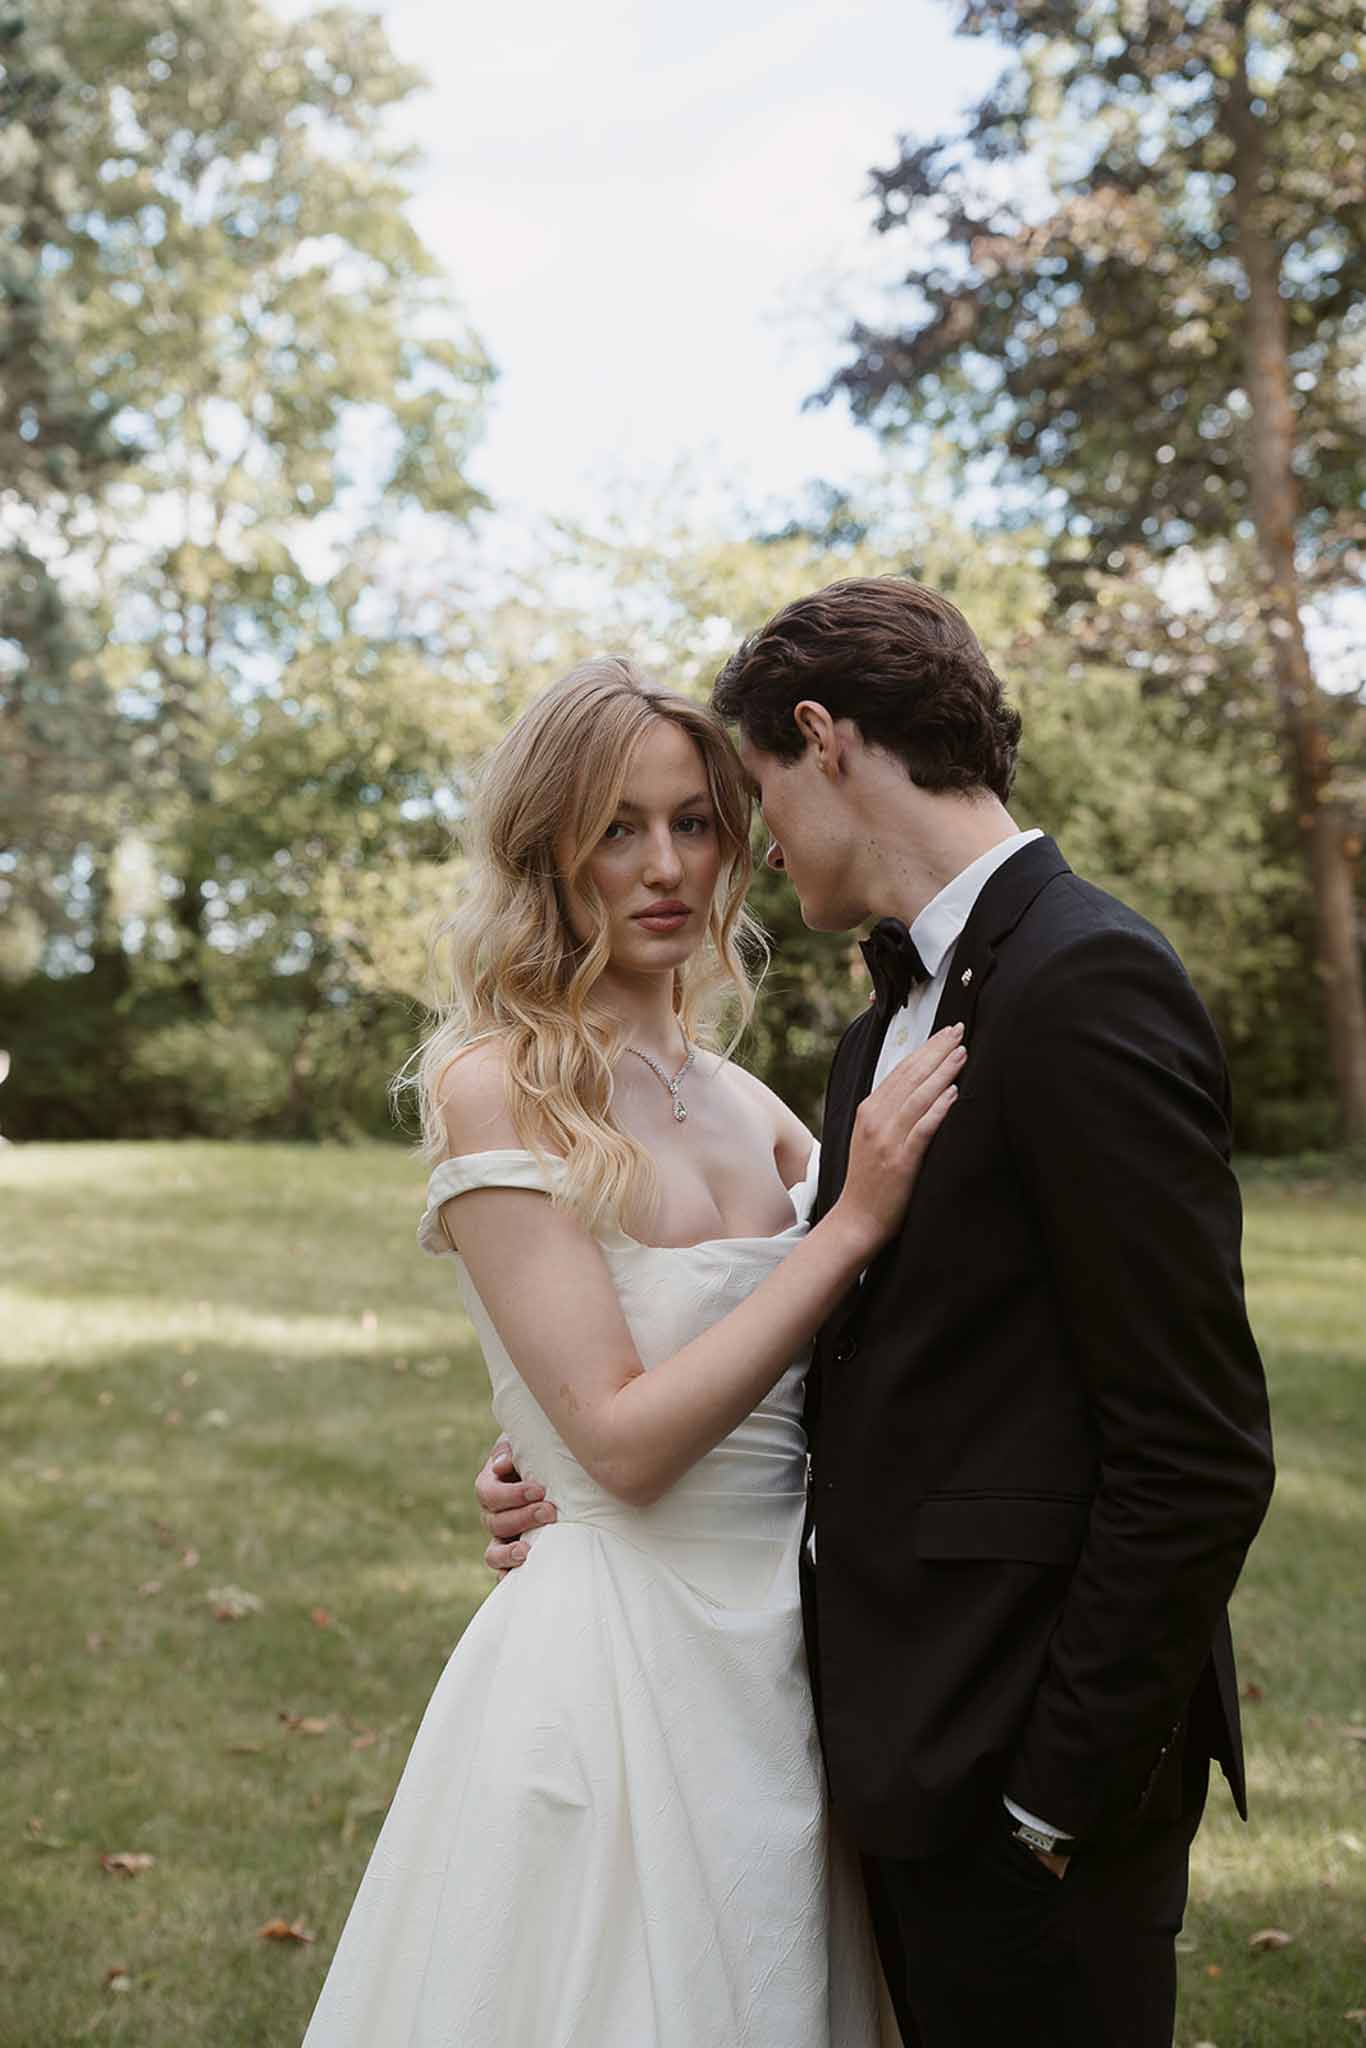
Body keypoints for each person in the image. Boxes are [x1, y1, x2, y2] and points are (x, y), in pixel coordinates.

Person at [480, 579, 1276, 2048]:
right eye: (627, 827)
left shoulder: (1085, 976)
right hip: (874, 1752)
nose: (740, 845)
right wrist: (556, 1465)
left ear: (820, 741)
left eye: (740, 803)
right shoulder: (872, 1039)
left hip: (1028, 1775)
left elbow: (1197, 1450)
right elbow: (861, 1350)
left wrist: (1052, 1798)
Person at [301, 657, 962, 2048]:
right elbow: (619, 1443)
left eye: (693, 824)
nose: (660, 866)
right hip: (613, 1666)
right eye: (614, 828)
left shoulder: (758, 1109)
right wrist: (846, 1228)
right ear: (546, 848)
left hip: (788, 1656)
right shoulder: (497, 1082)